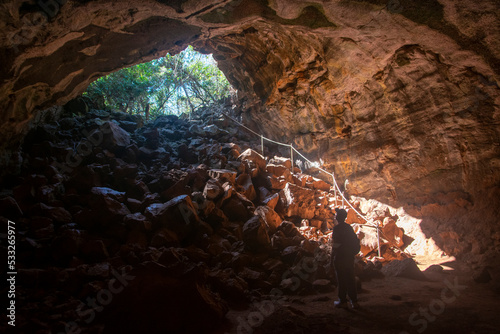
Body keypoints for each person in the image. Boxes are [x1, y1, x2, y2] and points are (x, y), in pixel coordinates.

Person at [331, 208, 360, 309]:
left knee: (341, 279)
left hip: (340, 257)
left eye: (336, 215)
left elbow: (336, 245)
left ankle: (342, 301)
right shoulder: (349, 228)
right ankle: (354, 301)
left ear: (338, 217)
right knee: (350, 278)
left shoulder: (337, 228)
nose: (334, 216)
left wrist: (332, 257)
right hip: (349, 257)